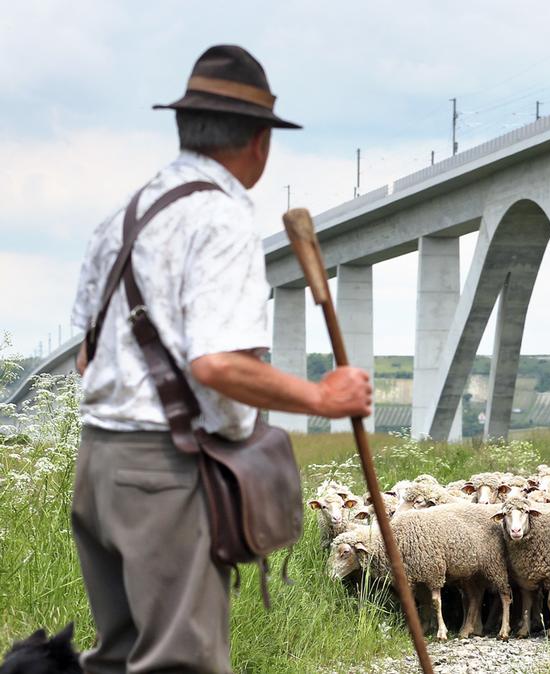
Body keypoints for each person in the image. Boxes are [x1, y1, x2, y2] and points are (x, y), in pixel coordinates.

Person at [68, 45, 371, 674]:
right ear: (260, 142)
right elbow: (214, 364)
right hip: (163, 471)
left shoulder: (122, 218)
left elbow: (86, 359)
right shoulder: (223, 215)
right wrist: (322, 398)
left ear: (185, 127)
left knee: (117, 659)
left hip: (99, 464)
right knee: (182, 663)